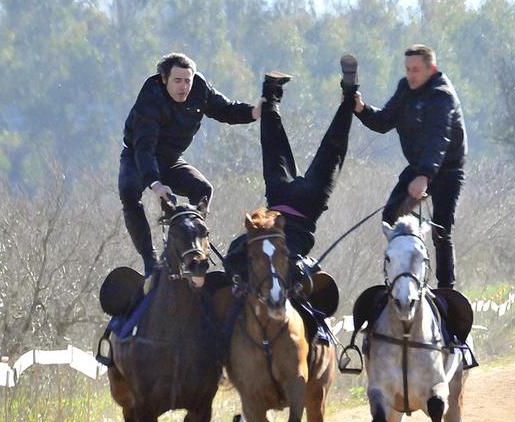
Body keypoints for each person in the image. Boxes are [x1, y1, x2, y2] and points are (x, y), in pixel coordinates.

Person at [119, 52, 260, 276]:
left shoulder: (199, 88)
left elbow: (225, 109)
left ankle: (193, 249)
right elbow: (144, 148)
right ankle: (150, 260)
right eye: (177, 81)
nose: (184, 87)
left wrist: (254, 112)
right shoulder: (150, 97)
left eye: (188, 80)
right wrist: (155, 184)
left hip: (171, 159)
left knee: (203, 189)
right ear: (164, 79)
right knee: (128, 192)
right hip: (139, 157)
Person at [225, 54, 360, 280]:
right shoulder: (263, 250)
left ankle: (348, 95)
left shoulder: (259, 249)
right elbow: (236, 256)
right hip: (291, 203)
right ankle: (271, 90)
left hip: (289, 204)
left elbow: (235, 257)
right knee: (275, 147)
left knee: (331, 149)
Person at [354, 44, 466, 289]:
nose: (411, 75)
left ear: (431, 69)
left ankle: (446, 288)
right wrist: (361, 109)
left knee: (440, 229)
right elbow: (384, 121)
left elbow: (439, 139)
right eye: (408, 69)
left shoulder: (441, 95)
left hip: (446, 170)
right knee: (390, 219)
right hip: (419, 167)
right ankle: (401, 276)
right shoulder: (406, 89)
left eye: (416, 70)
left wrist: (425, 176)